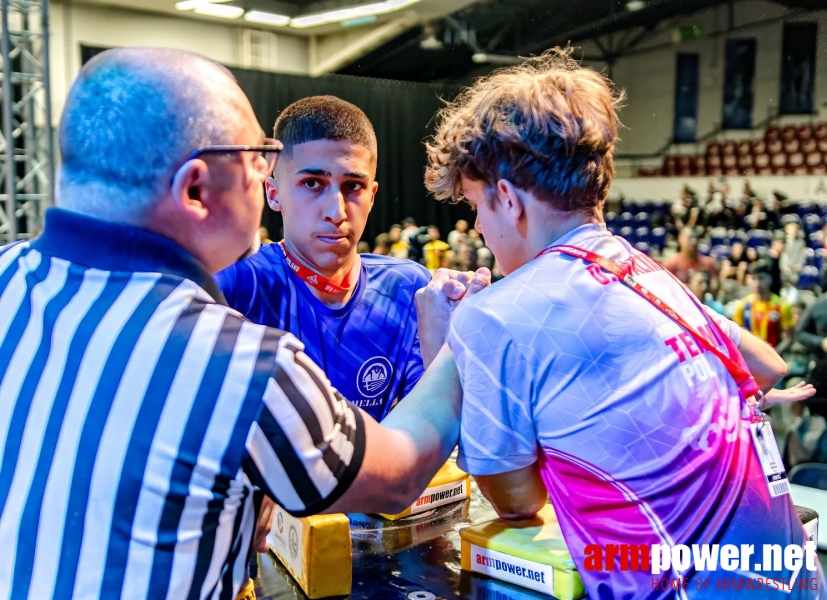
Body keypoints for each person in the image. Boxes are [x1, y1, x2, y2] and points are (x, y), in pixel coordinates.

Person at [0, 47, 487, 600]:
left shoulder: (8, 278)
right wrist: (461, 341)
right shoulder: (238, 361)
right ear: (196, 189)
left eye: (352, 186)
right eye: (258, 160)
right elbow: (399, 474)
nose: (266, 180)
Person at [424, 48, 822, 597]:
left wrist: (442, 348)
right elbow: (766, 365)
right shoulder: (648, 273)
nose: (480, 228)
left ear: (510, 201)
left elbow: (517, 503)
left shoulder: (493, 314)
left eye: (475, 206)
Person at [216, 96, 434, 421]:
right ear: (273, 194)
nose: (337, 211)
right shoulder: (235, 283)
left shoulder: (409, 288)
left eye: (352, 186)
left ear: (372, 196)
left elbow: (430, 421)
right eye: (313, 183)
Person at [733, 262, 796, 349]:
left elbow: (789, 338)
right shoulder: (743, 305)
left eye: (761, 278)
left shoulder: (782, 306)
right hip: (748, 357)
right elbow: (736, 335)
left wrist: (775, 354)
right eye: (753, 278)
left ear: (770, 279)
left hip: (773, 356)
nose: (757, 283)